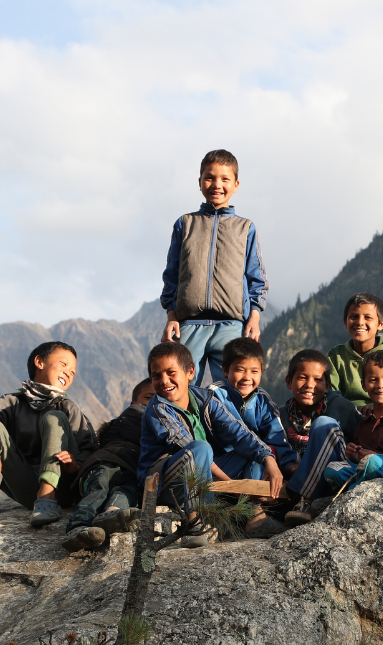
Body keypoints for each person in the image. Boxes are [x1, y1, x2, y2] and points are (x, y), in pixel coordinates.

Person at [138, 342, 284, 548]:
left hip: (205, 476)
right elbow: (187, 448)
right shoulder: (158, 409)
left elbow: (238, 431)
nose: (164, 381)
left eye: (171, 373)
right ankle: (196, 521)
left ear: (190, 372)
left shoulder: (204, 398)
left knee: (250, 452)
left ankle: (253, 515)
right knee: (200, 448)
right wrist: (234, 487)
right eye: (156, 375)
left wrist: (269, 459)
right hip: (165, 481)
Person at [0, 341, 97, 527]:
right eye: (64, 364)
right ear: (39, 362)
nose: (68, 372)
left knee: (54, 418)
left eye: (72, 372)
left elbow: (89, 448)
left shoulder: (68, 407)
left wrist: (75, 465)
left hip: (62, 488)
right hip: (26, 489)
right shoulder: (12, 402)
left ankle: (47, 496)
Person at [160, 149, 269, 385]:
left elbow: (256, 278)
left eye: (225, 179)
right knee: (183, 389)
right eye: (209, 177)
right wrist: (171, 316)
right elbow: (171, 276)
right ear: (199, 182)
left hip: (231, 324)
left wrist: (254, 318)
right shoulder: (185, 224)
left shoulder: (245, 228)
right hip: (189, 324)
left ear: (236, 184)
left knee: (235, 389)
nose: (216, 184)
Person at [208, 338, 293, 537]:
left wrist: (289, 466)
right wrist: (266, 458)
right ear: (225, 370)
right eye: (240, 370)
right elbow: (237, 435)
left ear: (261, 372)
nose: (247, 377)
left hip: (252, 466)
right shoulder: (215, 395)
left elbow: (276, 436)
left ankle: (250, 513)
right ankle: (254, 515)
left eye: (254, 371)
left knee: (265, 449)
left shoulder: (263, 400)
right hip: (219, 465)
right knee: (255, 449)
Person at [61, 378, 156, 552]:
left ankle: (111, 514)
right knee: (99, 485)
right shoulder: (136, 412)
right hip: (105, 461)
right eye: (150, 397)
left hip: (129, 468)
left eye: (160, 399)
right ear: (133, 402)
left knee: (128, 490)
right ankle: (78, 526)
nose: (155, 403)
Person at [321, 351, 383, 495]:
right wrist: (353, 453)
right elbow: (358, 457)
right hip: (363, 468)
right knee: (333, 469)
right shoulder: (365, 422)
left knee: (373, 463)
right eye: (373, 380)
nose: (380, 385)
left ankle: (353, 493)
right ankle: (358, 486)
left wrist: (375, 458)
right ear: (364, 385)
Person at [279, 349, 361, 526]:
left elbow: (365, 435)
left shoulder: (342, 407)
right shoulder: (281, 415)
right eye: (302, 377)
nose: (310, 385)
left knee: (324, 424)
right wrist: (288, 466)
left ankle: (306, 500)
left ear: (327, 386)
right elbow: (276, 445)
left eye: (317, 380)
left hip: (333, 473)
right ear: (288, 382)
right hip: (295, 474)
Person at [328, 293, 383, 406]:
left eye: (368, 317)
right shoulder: (336, 356)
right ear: (345, 322)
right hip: (347, 417)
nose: (360, 322)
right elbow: (331, 395)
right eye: (354, 317)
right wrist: (351, 411)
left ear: (381, 324)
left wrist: (378, 406)